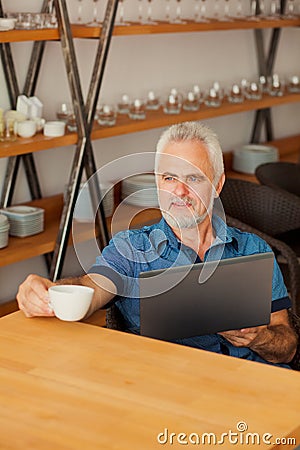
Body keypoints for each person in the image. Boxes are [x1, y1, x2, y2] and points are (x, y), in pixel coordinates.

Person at [17, 121, 297, 367]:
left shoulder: (253, 250)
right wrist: (49, 292)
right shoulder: (131, 250)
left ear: (218, 185)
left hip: (255, 384)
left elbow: (286, 349)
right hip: (169, 390)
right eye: (169, 178)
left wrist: (259, 338)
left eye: (193, 178)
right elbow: (90, 288)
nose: (179, 191)